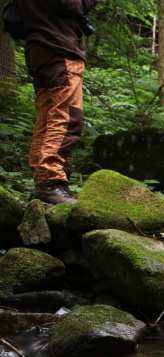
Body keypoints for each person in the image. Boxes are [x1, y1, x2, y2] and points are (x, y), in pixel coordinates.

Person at [19, 0, 100, 205]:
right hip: (59, 47)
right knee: (67, 116)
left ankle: (41, 181)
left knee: (47, 118)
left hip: (39, 50)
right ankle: (51, 181)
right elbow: (73, 5)